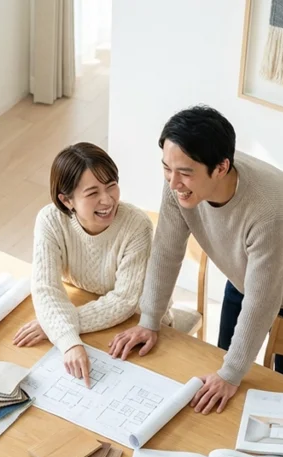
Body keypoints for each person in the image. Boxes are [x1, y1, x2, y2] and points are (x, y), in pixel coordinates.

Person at [109, 105, 283, 414]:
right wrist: (149, 320)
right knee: (223, 362)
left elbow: (262, 301)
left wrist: (231, 374)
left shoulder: (267, 212)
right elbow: (166, 250)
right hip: (246, 273)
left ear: (220, 168)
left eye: (185, 173)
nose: (173, 182)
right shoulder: (180, 183)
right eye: (167, 168)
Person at [14, 142, 171, 385]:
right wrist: (66, 338)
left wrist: (57, 326)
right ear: (67, 200)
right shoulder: (51, 220)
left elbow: (125, 301)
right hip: (88, 310)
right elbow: (46, 288)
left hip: (138, 322)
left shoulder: (136, 225)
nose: (107, 200)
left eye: (111, 186)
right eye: (92, 193)